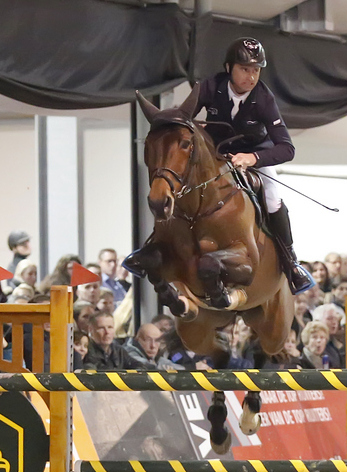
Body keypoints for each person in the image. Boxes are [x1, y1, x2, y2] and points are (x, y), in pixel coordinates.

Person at [128, 37, 312, 294]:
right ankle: (153, 244)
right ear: (229, 68)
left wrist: (253, 158)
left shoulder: (264, 98)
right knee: (179, 187)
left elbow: (287, 148)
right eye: (244, 69)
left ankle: (291, 262)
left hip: (255, 157)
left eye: (256, 70)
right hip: (215, 156)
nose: (251, 76)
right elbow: (183, 122)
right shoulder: (210, 87)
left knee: (272, 198)